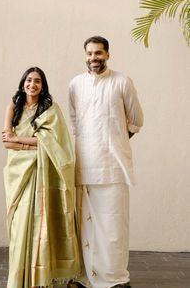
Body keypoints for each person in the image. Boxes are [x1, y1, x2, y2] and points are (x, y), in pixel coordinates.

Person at [68, 36, 144, 288]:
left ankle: (115, 279)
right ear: (84, 55)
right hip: (84, 165)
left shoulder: (122, 81)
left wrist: (114, 141)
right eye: (89, 53)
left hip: (113, 167)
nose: (93, 58)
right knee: (86, 225)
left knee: (113, 225)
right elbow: (75, 123)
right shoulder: (75, 85)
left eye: (98, 53)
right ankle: (85, 278)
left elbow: (135, 121)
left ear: (108, 55)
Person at [2, 67, 81, 288]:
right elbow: (6, 143)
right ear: (23, 83)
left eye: (37, 81)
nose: (32, 84)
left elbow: (59, 143)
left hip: (44, 174)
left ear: (43, 86)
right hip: (19, 175)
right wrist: (35, 142)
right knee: (20, 226)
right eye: (29, 80)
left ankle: (41, 279)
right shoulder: (13, 107)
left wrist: (19, 138)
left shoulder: (50, 110)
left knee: (42, 223)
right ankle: (19, 279)